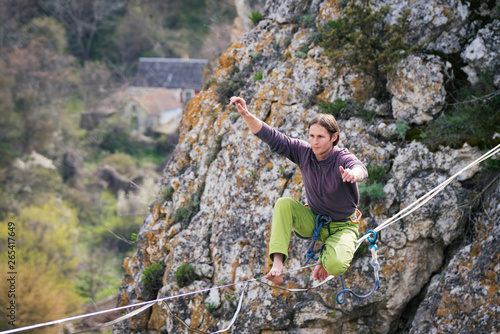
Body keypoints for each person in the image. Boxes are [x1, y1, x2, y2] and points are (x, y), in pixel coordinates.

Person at [229, 96, 368, 285]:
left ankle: (326, 257)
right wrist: (246, 114)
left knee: (335, 266)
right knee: (284, 203)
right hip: (314, 221)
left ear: (334, 137)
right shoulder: (304, 152)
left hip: (343, 226)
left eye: (320, 137)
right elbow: (271, 136)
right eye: (311, 136)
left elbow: (360, 168)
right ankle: (277, 264)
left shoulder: (342, 158)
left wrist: (353, 174)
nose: (315, 142)